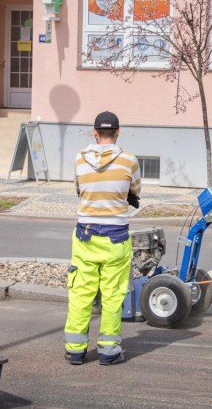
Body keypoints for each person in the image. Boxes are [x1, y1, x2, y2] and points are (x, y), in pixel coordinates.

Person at [64, 111, 141, 366]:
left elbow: (78, 189)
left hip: (85, 234)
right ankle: (108, 351)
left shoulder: (79, 158)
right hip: (116, 237)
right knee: (112, 295)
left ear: (94, 132)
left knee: (81, 292)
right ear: (118, 132)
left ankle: (75, 350)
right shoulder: (129, 160)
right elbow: (135, 191)